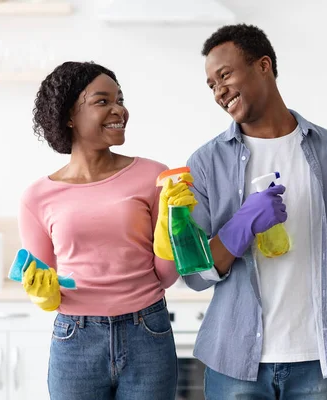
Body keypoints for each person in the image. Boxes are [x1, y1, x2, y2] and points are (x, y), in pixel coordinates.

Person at [183, 24, 327, 399]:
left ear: (264, 65)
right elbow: (195, 273)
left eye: (224, 75)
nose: (218, 91)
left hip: (318, 360)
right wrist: (240, 226)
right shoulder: (206, 163)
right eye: (211, 84)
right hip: (235, 362)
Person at [18, 61, 196, 400]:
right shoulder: (36, 198)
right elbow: (45, 282)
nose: (120, 110)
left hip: (148, 331)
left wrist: (173, 222)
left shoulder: (154, 177)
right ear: (70, 115)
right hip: (76, 340)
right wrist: (43, 293)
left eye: (120, 99)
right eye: (103, 101)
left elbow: (165, 276)